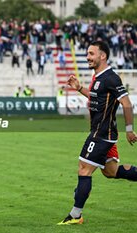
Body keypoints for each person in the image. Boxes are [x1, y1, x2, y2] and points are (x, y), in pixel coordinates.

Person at [58, 41, 137, 225]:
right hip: (103, 133)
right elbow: (97, 98)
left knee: (84, 169)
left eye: (91, 54)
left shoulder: (110, 77)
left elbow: (126, 103)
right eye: (87, 53)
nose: (88, 57)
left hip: (101, 134)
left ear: (103, 56)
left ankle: (75, 215)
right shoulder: (98, 78)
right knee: (110, 171)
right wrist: (79, 88)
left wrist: (130, 130)